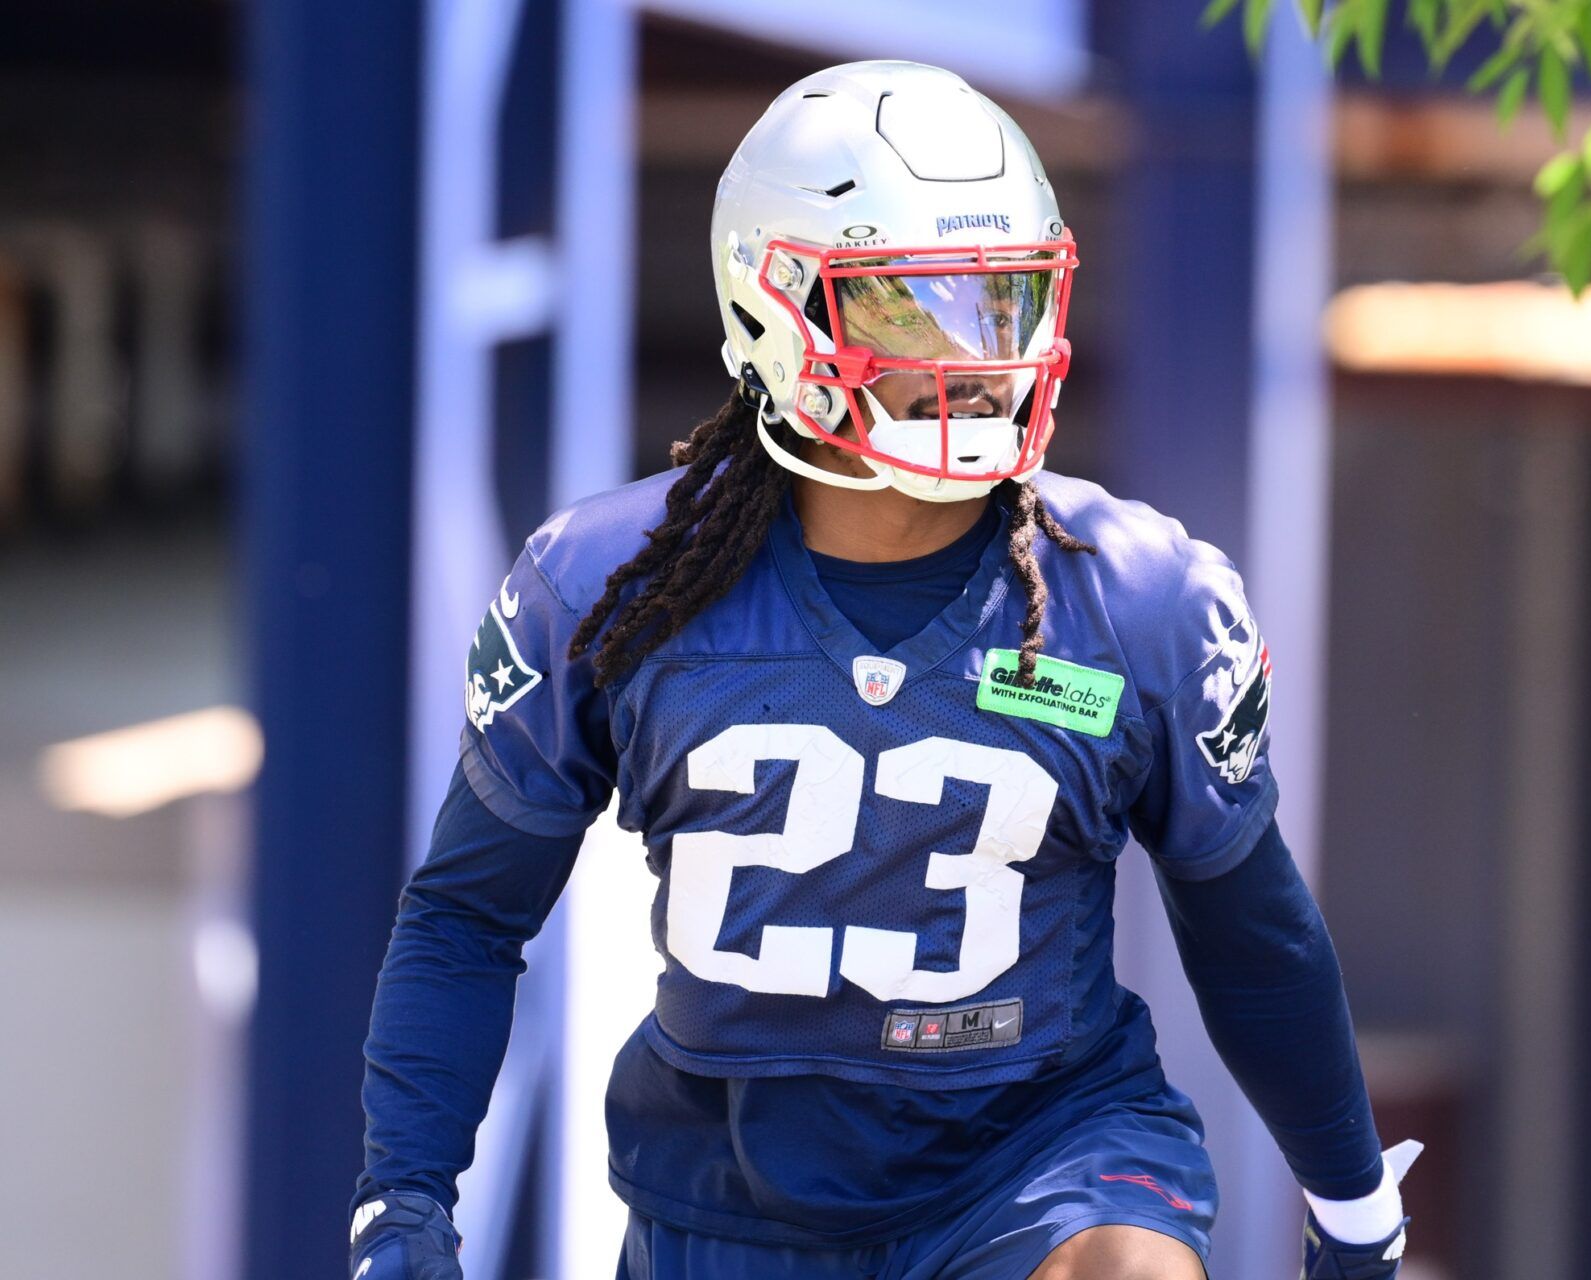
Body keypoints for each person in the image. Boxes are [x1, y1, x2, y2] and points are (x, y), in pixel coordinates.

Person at [351, 60, 1416, 1280]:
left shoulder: (1136, 600)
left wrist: (1352, 1202)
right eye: (919, 311)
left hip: (1038, 1156)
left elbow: (1248, 922)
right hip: (732, 1207)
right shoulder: (607, 589)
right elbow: (469, 913)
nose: (977, 359)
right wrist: (405, 1205)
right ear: (778, 303)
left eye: (1001, 306)